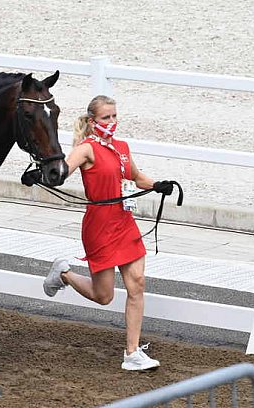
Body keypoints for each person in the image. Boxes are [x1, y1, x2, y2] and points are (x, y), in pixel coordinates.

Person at [42, 95, 174, 371]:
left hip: (124, 223)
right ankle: (64, 272)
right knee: (104, 296)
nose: (111, 122)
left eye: (114, 116)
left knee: (137, 283)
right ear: (92, 121)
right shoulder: (87, 149)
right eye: (105, 118)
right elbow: (62, 170)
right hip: (100, 226)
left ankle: (132, 352)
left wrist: (158, 184)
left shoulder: (122, 148)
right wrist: (45, 175)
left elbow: (135, 177)